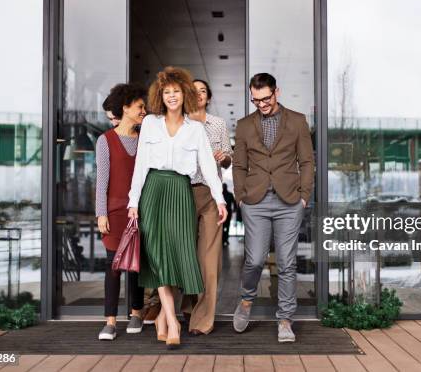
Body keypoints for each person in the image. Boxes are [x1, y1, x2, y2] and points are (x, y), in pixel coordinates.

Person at [127, 66, 228, 349]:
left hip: (181, 192)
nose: (172, 96)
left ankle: (162, 318)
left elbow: (208, 167)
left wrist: (219, 199)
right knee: (158, 255)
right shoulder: (150, 124)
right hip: (153, 191)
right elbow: (140, 165)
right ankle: (172, 320)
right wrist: (133, 201)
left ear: (185, 95)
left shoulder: (195, 129)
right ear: (160, 96)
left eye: (176, 91)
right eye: (166, 92)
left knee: (175, 255)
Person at [232, 73, 314, 343]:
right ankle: (246, 300)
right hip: (254, 200)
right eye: (256, 100)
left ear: (277, 92)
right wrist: (240, 197)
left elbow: (306, 161)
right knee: (254, 260)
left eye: (266, 98)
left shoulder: (298, 121)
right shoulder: (244, 125)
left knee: (287, 263)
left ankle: (285, 320)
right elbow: (240, 165)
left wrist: (304, 196)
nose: (262, 104)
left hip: (289, 200)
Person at [180, 79, 233, 336]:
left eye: (203, 91)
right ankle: (189, 305)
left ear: (208, 97)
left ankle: (203, 320)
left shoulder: (219, 124)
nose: (198, 95)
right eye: (194, 91)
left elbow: (228, 159)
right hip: (181, 195)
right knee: (185, 255)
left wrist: (225, 158)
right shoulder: (179, 122)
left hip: (212, 196)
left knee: (210, 260)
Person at [96, 83, 147, 341]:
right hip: (114, 212)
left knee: (137, 265)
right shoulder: (105, 140)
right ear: (125, 108)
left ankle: (137, 312)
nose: (143, 111)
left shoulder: (146, 139)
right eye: (139, 107)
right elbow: (101, 180)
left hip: (141, 211)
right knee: (113, 265)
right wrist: (100, 213)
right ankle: (110, 321)